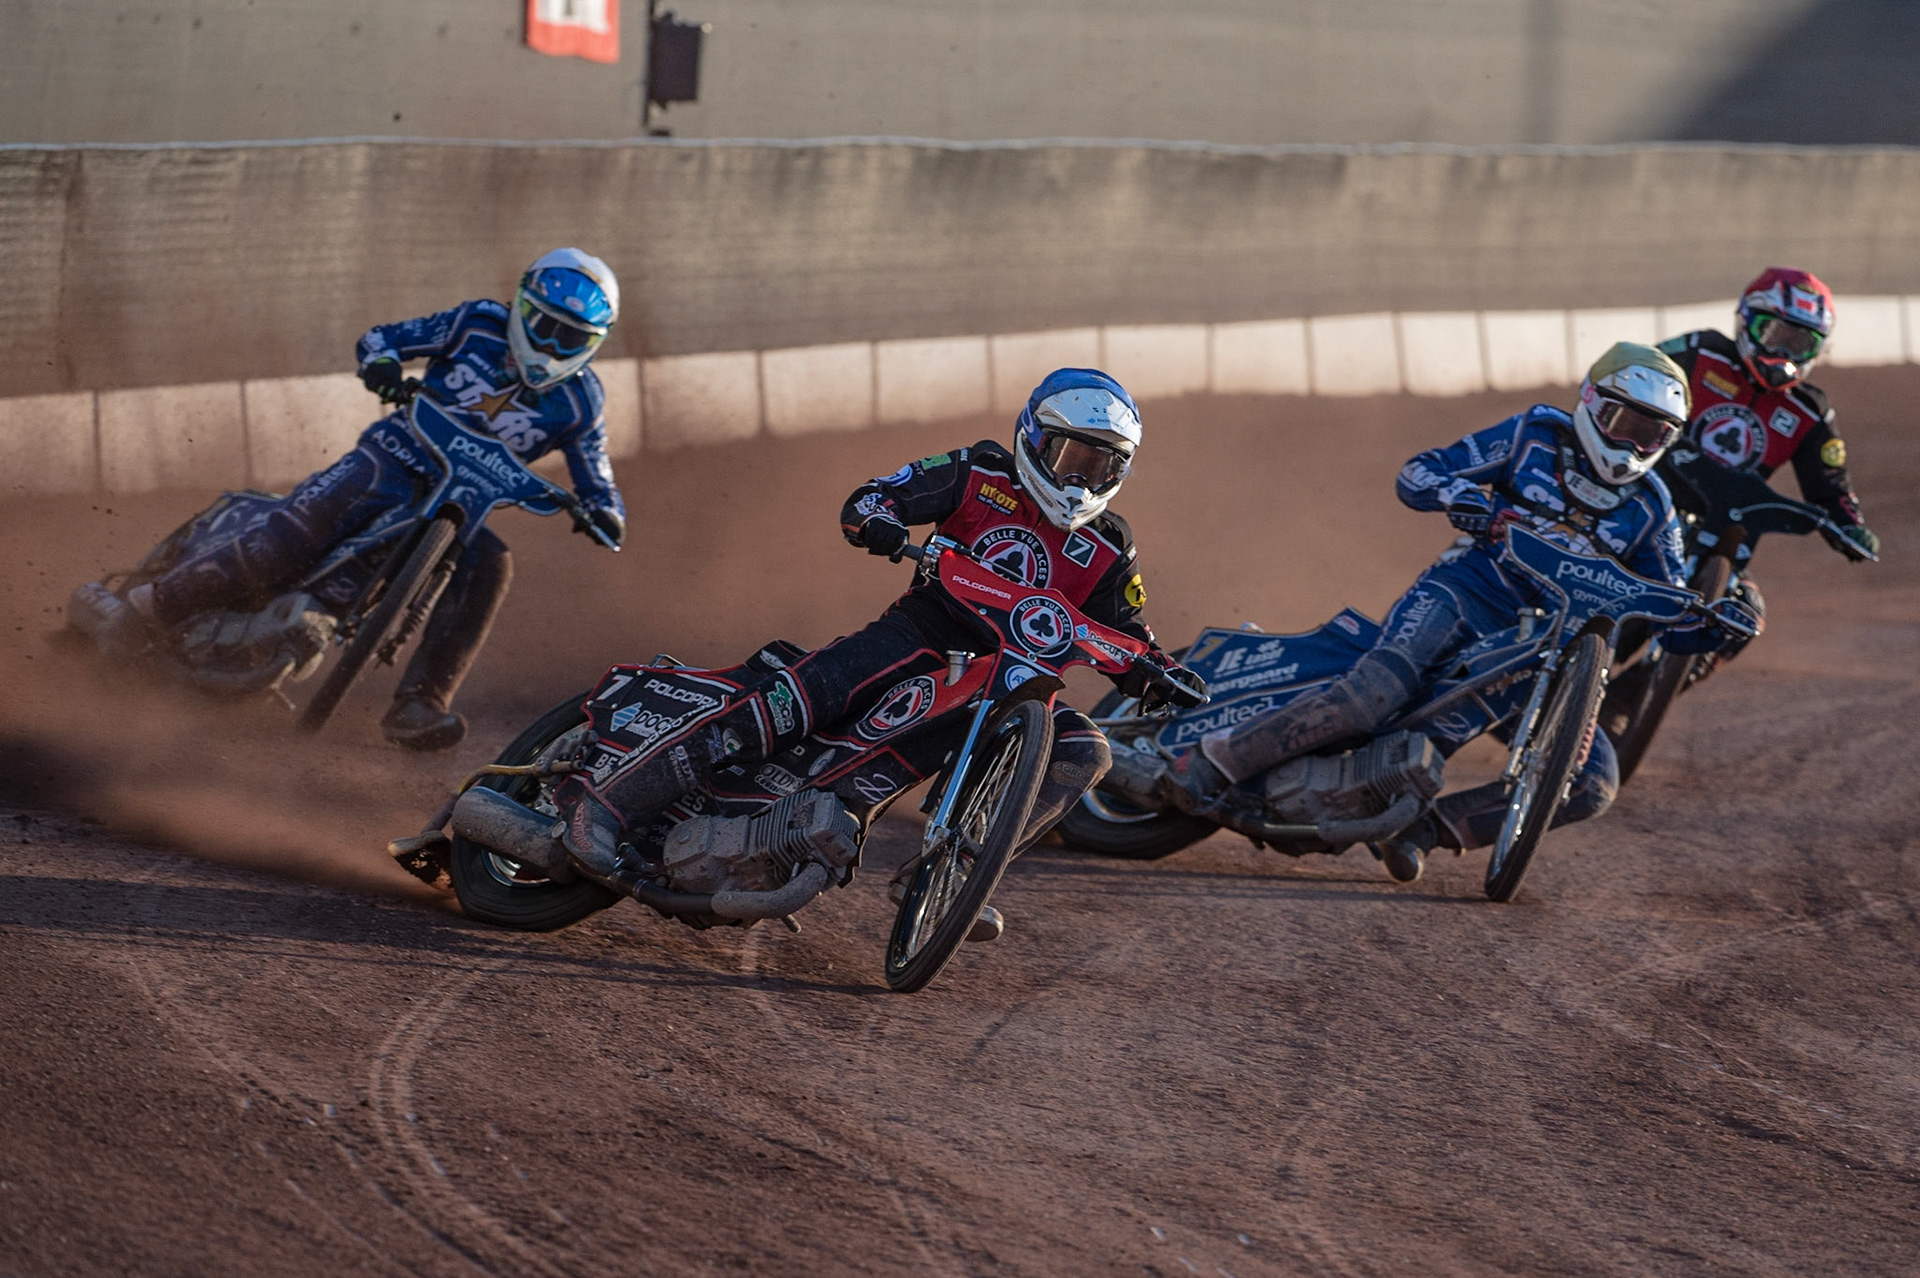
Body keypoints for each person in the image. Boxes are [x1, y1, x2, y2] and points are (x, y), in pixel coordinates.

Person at [553, 368, 1206, 926]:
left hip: (1012, 682)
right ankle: (608, 803)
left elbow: (1131, 637)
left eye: (1104, 464)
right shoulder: (979, 470)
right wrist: (882, 526)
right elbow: (875, 496)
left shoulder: (1111, 546)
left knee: (1082, 749)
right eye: (1073, 457)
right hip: (921, 633)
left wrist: (1164, 673)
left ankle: (953, 876)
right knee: (799, 700)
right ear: (1034, 439)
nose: (1082, 480)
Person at [1164, 343, 1757, 883]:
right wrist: (1462, 496)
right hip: (1465, 595)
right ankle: (1213, 764)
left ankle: (1423, 831)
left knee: (1595, 782)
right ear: (1590, 403)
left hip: (1546, 656)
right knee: (1373, 693)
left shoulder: (1654, 510)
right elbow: (1418, 474)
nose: (1632, 447)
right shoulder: (1532, 435)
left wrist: (1716, 627)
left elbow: (1672, 612)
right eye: (1625, 424)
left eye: (1652, 437)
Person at [118, 248, 627, 751]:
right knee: (292, 539)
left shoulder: (581, 402)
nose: (553, 344)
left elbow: (595, 469)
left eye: (572, 337)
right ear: (521, 308)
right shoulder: (476, 324)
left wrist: (604, 510)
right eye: (544, 326)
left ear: (594, 344)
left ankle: (420, 704)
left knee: (492, 562)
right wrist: (382, 364)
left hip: (463, 506)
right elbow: (384, 338)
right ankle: (150, 609)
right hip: (390, 459)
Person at [1650, 267, 1880, 655]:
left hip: (1726, 528)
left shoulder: (1810, 410)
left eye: (1799, 343)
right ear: (1745, 320)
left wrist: (1848, 525)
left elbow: (1830, 486)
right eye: (1773, 335)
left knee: (1744, 616)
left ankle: (1627, 703)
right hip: (1651, 493)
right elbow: (1635, 381)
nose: (1782, 353)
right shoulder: (1699, 352)